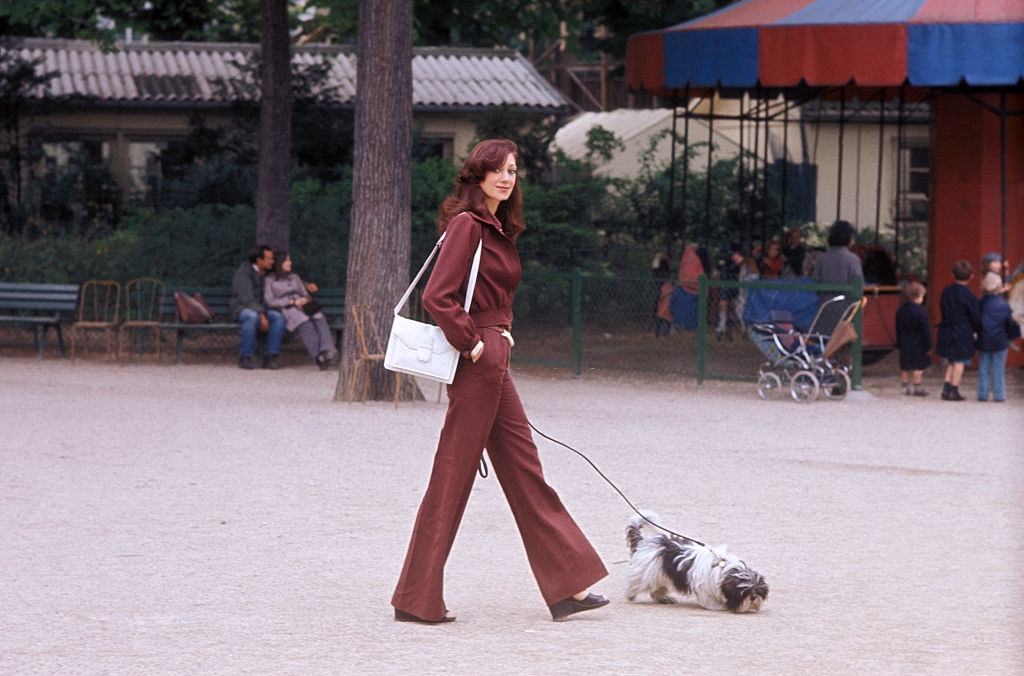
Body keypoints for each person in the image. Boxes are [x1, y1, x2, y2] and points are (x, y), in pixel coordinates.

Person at [391, 139, 608, 624]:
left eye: (512, 170)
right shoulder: (468, 225)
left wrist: (494, 343)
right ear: (477, 176)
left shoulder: (496, 228)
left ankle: (566, 586)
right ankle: (415, 598)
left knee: (525, 470)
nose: (506, 178)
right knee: (452, 476)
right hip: (479, 360)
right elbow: (437, 296)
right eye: (496, 171)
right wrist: (473, 345)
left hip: (493, 357)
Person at [263, 252, 338, 370]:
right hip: (287, 308)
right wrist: (292, 302)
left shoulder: (294, 277)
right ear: (280, 263)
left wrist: (304, 299)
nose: (290, 262)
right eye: (287, 260)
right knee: (304, 321)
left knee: (319, 316)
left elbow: (305, 293)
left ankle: (327, 350)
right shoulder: (270, 280)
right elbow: (270, 301)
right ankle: (318, 356)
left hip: (303, 305)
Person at [230, 244, 285, 370]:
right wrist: (261, 315)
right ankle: (246, 357)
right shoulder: (243, 272)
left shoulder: (268, 271)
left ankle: (271, 357)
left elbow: (287, 279)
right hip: (241, 308)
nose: (272, 261)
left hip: (261, 308)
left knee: (277, 317)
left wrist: (306, 284)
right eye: (269, 258)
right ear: (259, 260)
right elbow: (246, 298)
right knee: (251, 317)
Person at [936, 260, 980, 401]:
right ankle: (954, 390)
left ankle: (946, 389)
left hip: (947, 329)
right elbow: (975, 316)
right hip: (963, 332)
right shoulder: (970, 296)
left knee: (951, 361)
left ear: (952, 275)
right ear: (971, 276)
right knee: (960, 362)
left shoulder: (946, 291)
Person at [976, 272, 1021, 402]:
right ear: (999, 287)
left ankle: (982, 394)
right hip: (1000, 341)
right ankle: (999, 395)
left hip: (984, 340)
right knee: (998, 368)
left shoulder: (981, 304)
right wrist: (1011, 337)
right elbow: (1009, 324)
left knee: (983, 367)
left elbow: (977, 322)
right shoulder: (1004, 305)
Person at [895, 281, 931, 396]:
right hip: (918, 343)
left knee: (905, 365)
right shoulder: (921, 312)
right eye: (922, 297)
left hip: (904, 341)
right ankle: (917, 386)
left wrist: (899, 341)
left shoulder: (900, 311)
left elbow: (898, 328)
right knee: (918, 366)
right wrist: (928, 345)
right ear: (917, 297)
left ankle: (905, 386)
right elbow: (925, 329)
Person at [811, 220, 863, 288]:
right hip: (847, 298)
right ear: (849, 239)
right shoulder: (853, 259)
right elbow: (858, 285)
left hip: (825, 298)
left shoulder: (821, 259)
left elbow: (815, 281)